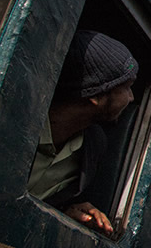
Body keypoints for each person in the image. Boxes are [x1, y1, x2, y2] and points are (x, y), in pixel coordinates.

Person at [27, 30, 138, 236]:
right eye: (127, 88)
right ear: (95, 96)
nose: (131, 98)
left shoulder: (93, 147)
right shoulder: (22, 122)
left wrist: (65, 214)